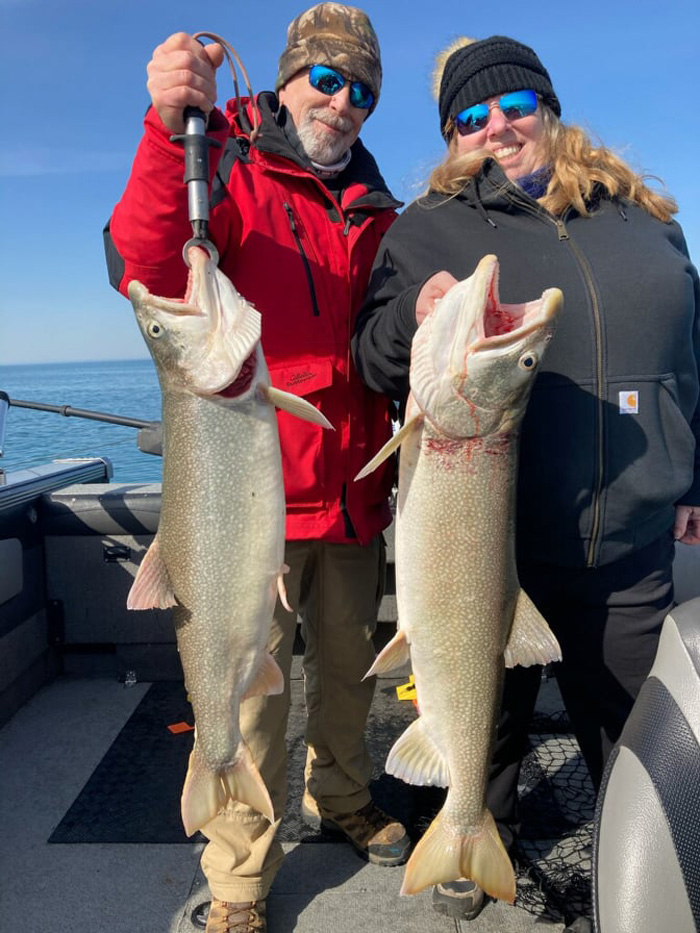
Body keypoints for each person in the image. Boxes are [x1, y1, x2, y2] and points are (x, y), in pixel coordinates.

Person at [352, 34, 700, 923]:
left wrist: (696, 478)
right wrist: (417, 321)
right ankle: (470, 835)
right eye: (471, 118)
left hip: (630, 542)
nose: (497, 128)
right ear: (452, 135)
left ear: (547, 108)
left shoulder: (644, 216)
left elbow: (693, 358)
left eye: (513, 106)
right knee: (481, 717)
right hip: (490, 542)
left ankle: (650, 874)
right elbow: (376, 352)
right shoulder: (429, 226)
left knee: (633, 737)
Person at [104, 5, 409, 932]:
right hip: (251, 501)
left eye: (362, 90)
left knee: (351, 669)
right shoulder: (221, 160)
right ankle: (239, 870)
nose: (343, 102)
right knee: (248, 691)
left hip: (355, 489)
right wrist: (166, 133)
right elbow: (146, 262)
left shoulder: (382, 206)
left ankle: (342, 792)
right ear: (287, 79)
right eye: (327, 79)